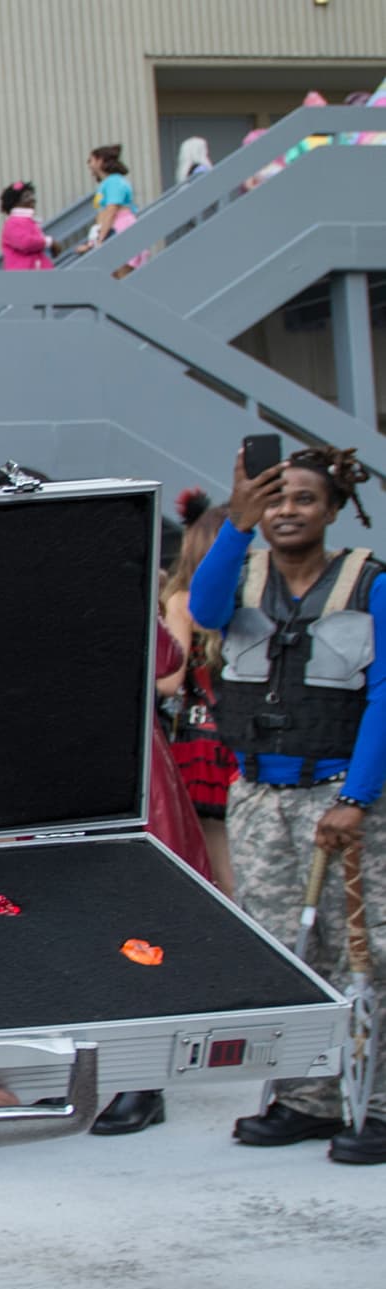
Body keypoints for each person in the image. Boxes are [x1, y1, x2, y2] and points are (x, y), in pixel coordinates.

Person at [187, 443, 385, 1166]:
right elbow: (203, 612)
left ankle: (379, 1099)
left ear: (333, 509)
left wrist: (358, 797)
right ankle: (306, 1096)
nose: (287, 511)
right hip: (260, 793)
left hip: (342, 795)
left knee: (369, 950)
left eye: (304, 498)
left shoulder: (370, 584)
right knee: (289, 950)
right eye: (274, 498)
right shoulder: (239, 573)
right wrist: (234, 524)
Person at [158, 490, 236, 895]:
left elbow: (169, 679)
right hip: (244, 731)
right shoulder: (252, 597)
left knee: (214, 854)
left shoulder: (182, 600)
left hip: (200, 736)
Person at [81, 144, 138, 255]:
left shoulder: (114, 182)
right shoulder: (106, 184)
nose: (89, 164)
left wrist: (100, 239)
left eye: (91, 160)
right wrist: (92, 242)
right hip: (111, 230)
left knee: (121, 269)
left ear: (100, 161)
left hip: (120, 229)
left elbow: (111, 211)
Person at [0, 182, 56, 272]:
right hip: (22, 279)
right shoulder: (12, 223)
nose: (33, 199)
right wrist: (49, 242)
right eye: (26, 197)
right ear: (15, 202)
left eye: (32, 196)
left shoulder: (28, 221)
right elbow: (26, 243)